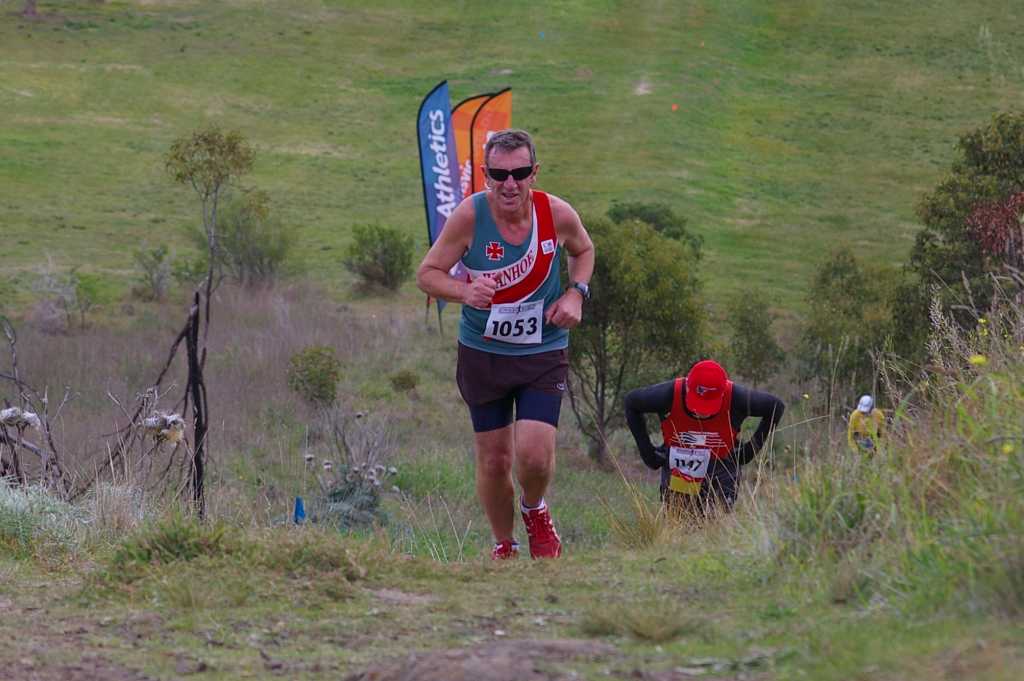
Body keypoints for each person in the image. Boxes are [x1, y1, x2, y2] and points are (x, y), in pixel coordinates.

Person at [416, 129, 595, 560]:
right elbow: (427, 274)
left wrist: (576, 294)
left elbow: (584, 250)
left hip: (541, 350)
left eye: (518, 173)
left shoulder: (557, 214)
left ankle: (535, 509)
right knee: (495, 461)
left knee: (533, 456)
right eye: (499, 174)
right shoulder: (469, 217)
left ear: (534, 172)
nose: (509, 184)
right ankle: (505, 545)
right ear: (485, 175)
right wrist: (464, 292)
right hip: (484, 353)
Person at [624, 359, 784, 514]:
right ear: (687, 387)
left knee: (715, 528)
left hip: (721, 469)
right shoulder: (668, 394)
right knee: (679, 523)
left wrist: (748, 452)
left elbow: (776, 407)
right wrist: (648, 454)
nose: (702, 411)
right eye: (697, 403)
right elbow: (631, 403)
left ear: (723, 393)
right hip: (681, 470)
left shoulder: (736, 398)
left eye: (709, 405)